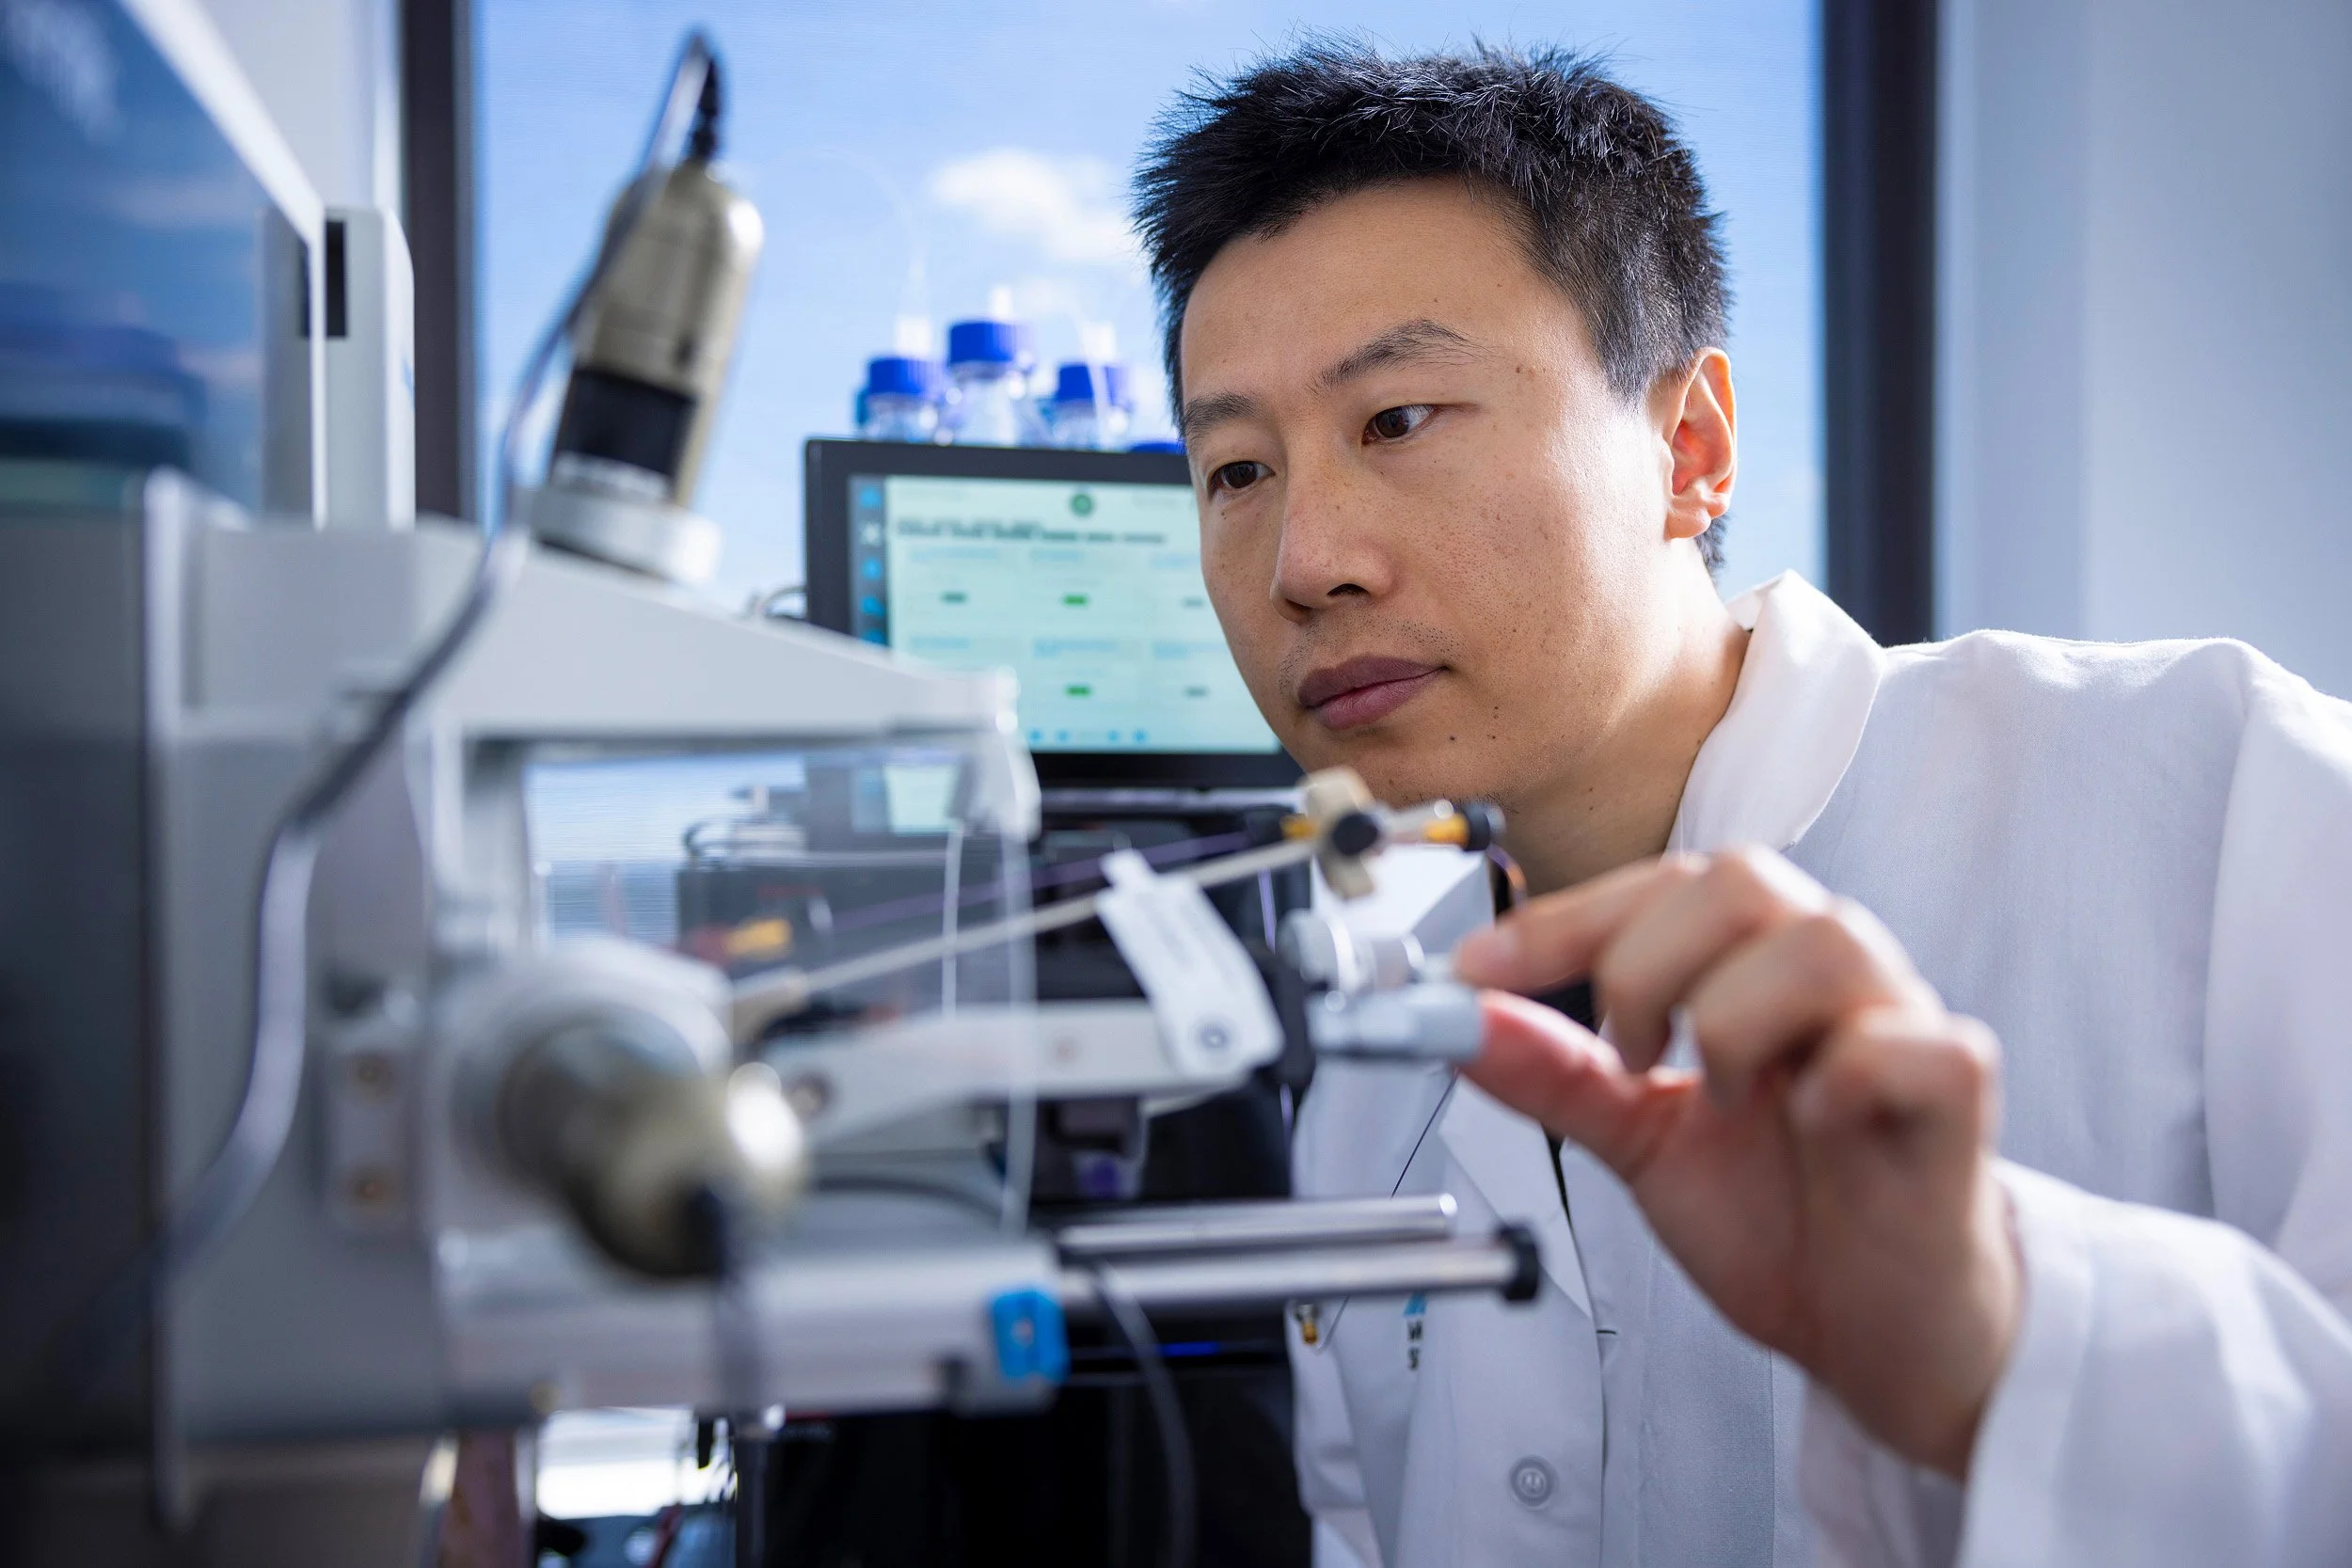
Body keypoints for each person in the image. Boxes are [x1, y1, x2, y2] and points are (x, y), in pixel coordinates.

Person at [1130, 40, 2352, 1567]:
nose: (1307, 558)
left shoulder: (2225, 802)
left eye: (1398, 419)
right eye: (1235, 470)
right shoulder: (1381, 1074)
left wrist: (2003, 1339)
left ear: (1690, 445)